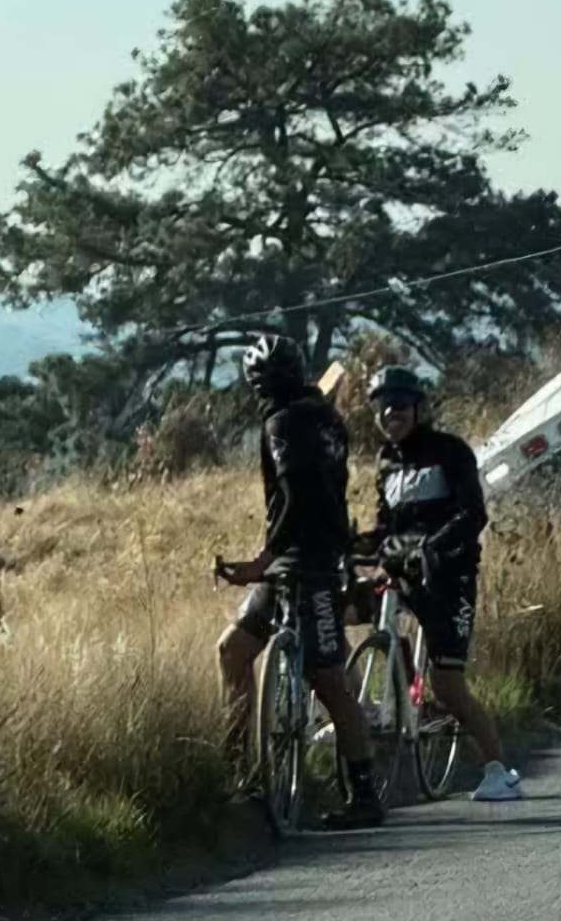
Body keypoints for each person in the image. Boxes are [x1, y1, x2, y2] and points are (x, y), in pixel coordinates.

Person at [215, 334, 385, 830]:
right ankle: (240, 767)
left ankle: (363, 795)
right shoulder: (327, 417)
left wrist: (259, 560)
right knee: (234, 649)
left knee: (328, 681)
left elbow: (299, 497)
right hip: (306, 557)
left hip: (305, 562)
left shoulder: (282, 421)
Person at [358, 365, 523, 802]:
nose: (390, 413)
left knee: (450, 684)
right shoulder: (387, 461)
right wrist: (353, 545)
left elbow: (474, 514)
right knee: (344, 613)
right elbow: (384, 524)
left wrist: (434, 546)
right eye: (381, 406)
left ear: (419, 408)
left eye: (399, 404)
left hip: (450, 578)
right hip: (403, 573)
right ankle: (398, 699)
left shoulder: (449, 452)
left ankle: (498, 770)